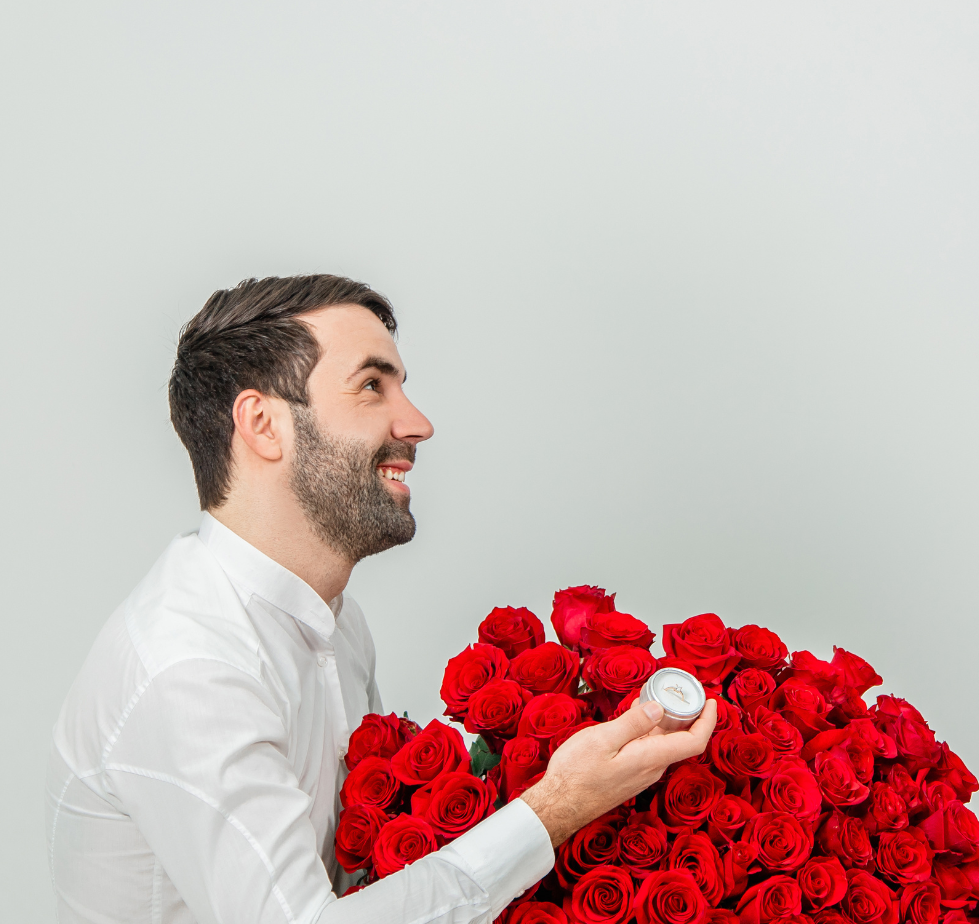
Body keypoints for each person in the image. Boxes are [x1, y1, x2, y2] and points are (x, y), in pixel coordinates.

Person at [46, 275, 716, 924]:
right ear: (262, 424)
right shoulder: (191, 666)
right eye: (371, 386)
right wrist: (559, 805)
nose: (417, 423)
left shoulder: (337, 624)